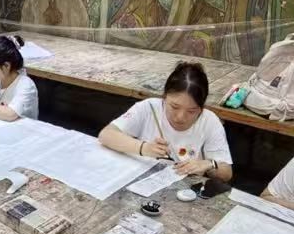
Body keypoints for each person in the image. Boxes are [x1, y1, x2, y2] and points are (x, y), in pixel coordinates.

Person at [98, 62, 233, 181]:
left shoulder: (209, 121)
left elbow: (226, 173)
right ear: (164, 97)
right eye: (174, 107)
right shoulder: (149, 108)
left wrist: (209, 164)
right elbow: (106, 135)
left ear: (201, 108)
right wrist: (144, 148)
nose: (180, 117)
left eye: (191, 111)